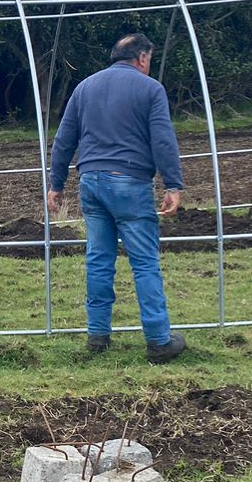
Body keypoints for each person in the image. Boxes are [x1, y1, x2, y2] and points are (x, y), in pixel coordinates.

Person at [46, 33, 187, 362]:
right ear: (141, 59)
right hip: (129, 183)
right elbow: (162, 139)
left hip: (90, 181)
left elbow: (64, 139)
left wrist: (56, 184)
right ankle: (158, 340)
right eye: (149, 60)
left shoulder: (84, 88)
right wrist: (172, 185)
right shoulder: (150, 89)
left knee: (98, 260)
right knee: (144, 263)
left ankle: (97, 336)